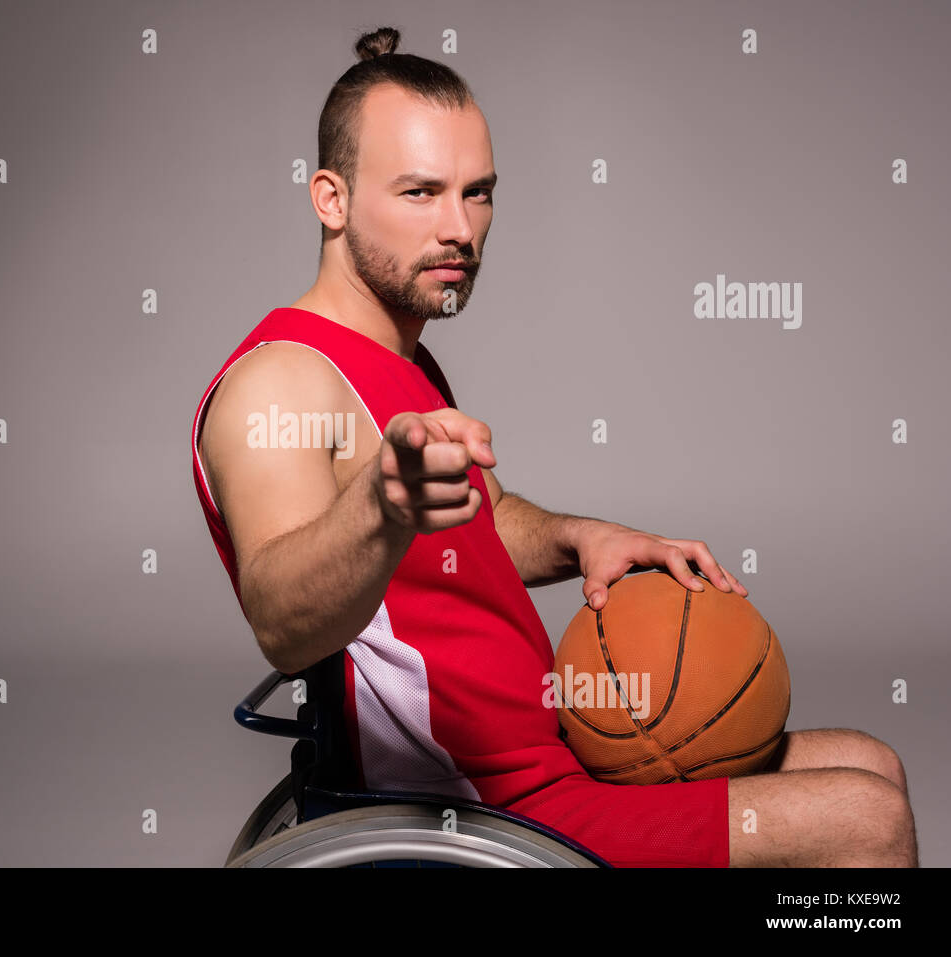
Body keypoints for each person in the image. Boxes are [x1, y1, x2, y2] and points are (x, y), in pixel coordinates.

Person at [190, 26, 917, 867]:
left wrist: (581, 538)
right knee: (864, 821)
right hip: (487, 804)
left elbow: (485, 522)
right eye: (421, 193)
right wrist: (380, 508)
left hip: (552, 748)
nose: (460, 228)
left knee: (874, 764)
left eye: (479, 193)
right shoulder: (282, 381)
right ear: (331, 198)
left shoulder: (406, 362)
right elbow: (282, 619)